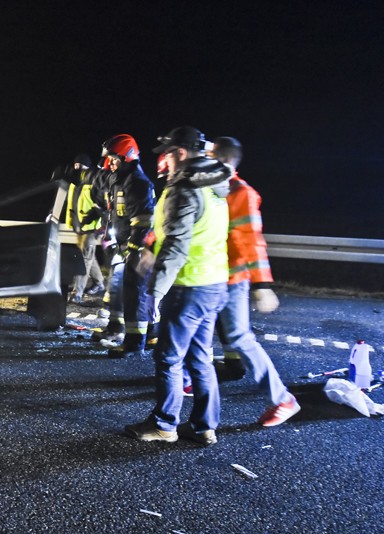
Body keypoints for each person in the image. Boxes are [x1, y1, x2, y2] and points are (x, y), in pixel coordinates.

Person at [125, 126, 232, 446]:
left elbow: (178, 244)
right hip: (213, 282)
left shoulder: (184, 188)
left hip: (187, 285)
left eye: (167, 155)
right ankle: (204, 426)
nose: (165, 162)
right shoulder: (215, 184)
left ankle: (164, 424)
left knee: (169, 358)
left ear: (180, 154)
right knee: (200, 357)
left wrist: (156, 290)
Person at [210, 136, 300, 427]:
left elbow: (252, 241)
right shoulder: (214, 189)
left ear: (222, 159)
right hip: (209, 276)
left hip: (232, 278)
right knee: (194, 329)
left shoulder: (241, 193)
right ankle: (195, 379)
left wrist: (262, 285)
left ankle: (283, 399)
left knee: (239, 337)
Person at [84, 134, 155, 356]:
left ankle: (136, 343)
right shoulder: (120, 179)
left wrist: (134, 249)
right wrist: (79, 173)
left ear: (127, 157)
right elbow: (99, 180)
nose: (110, 164)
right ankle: (117, 329)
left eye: (114, 159)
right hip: (122, 247)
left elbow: (143, 221)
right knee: (117, 291)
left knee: (137, 297)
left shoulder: (137, 182)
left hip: (136, 249)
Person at [64, 153, 105, 303]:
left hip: (91, 228)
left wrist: (94, 219)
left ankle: (77, 293)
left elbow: (101, 206)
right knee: (89, 256)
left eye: (80, 166)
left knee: (84, 260)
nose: (77, 168)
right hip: (79, 226)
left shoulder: (94, 183)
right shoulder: (75, 183)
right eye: (75, 165)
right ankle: (99, 283)